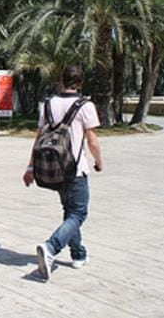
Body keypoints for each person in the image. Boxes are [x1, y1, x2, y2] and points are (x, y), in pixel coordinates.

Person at [23, 65, 104, 282]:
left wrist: (31, 167)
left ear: (62, 80)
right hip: (75, 169)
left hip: (54, 168)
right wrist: (98, 161)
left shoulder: (49, 104)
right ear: (81, 82)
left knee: (70, 211)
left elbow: (39, 137)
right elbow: (92, 140)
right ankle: (51, 247)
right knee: (79, 213)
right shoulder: (85, 106)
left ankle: (78, 254)